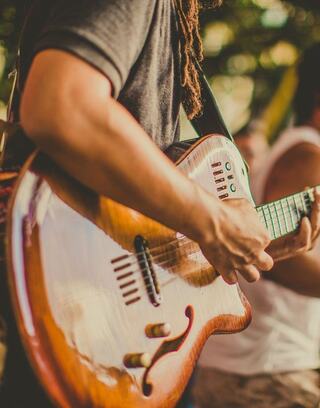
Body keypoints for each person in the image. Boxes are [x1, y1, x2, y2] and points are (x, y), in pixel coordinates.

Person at [0, 1, 317, 406]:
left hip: (108, 319)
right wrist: (213, 219)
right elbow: (62, 105)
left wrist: (246, 239)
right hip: (77, 303)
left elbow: (144, 208)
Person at [191, 44, 320, 408]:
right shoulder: (307, 156)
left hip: (256, 363)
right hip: (263, 368)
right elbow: (281, 254)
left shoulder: (298, 150)